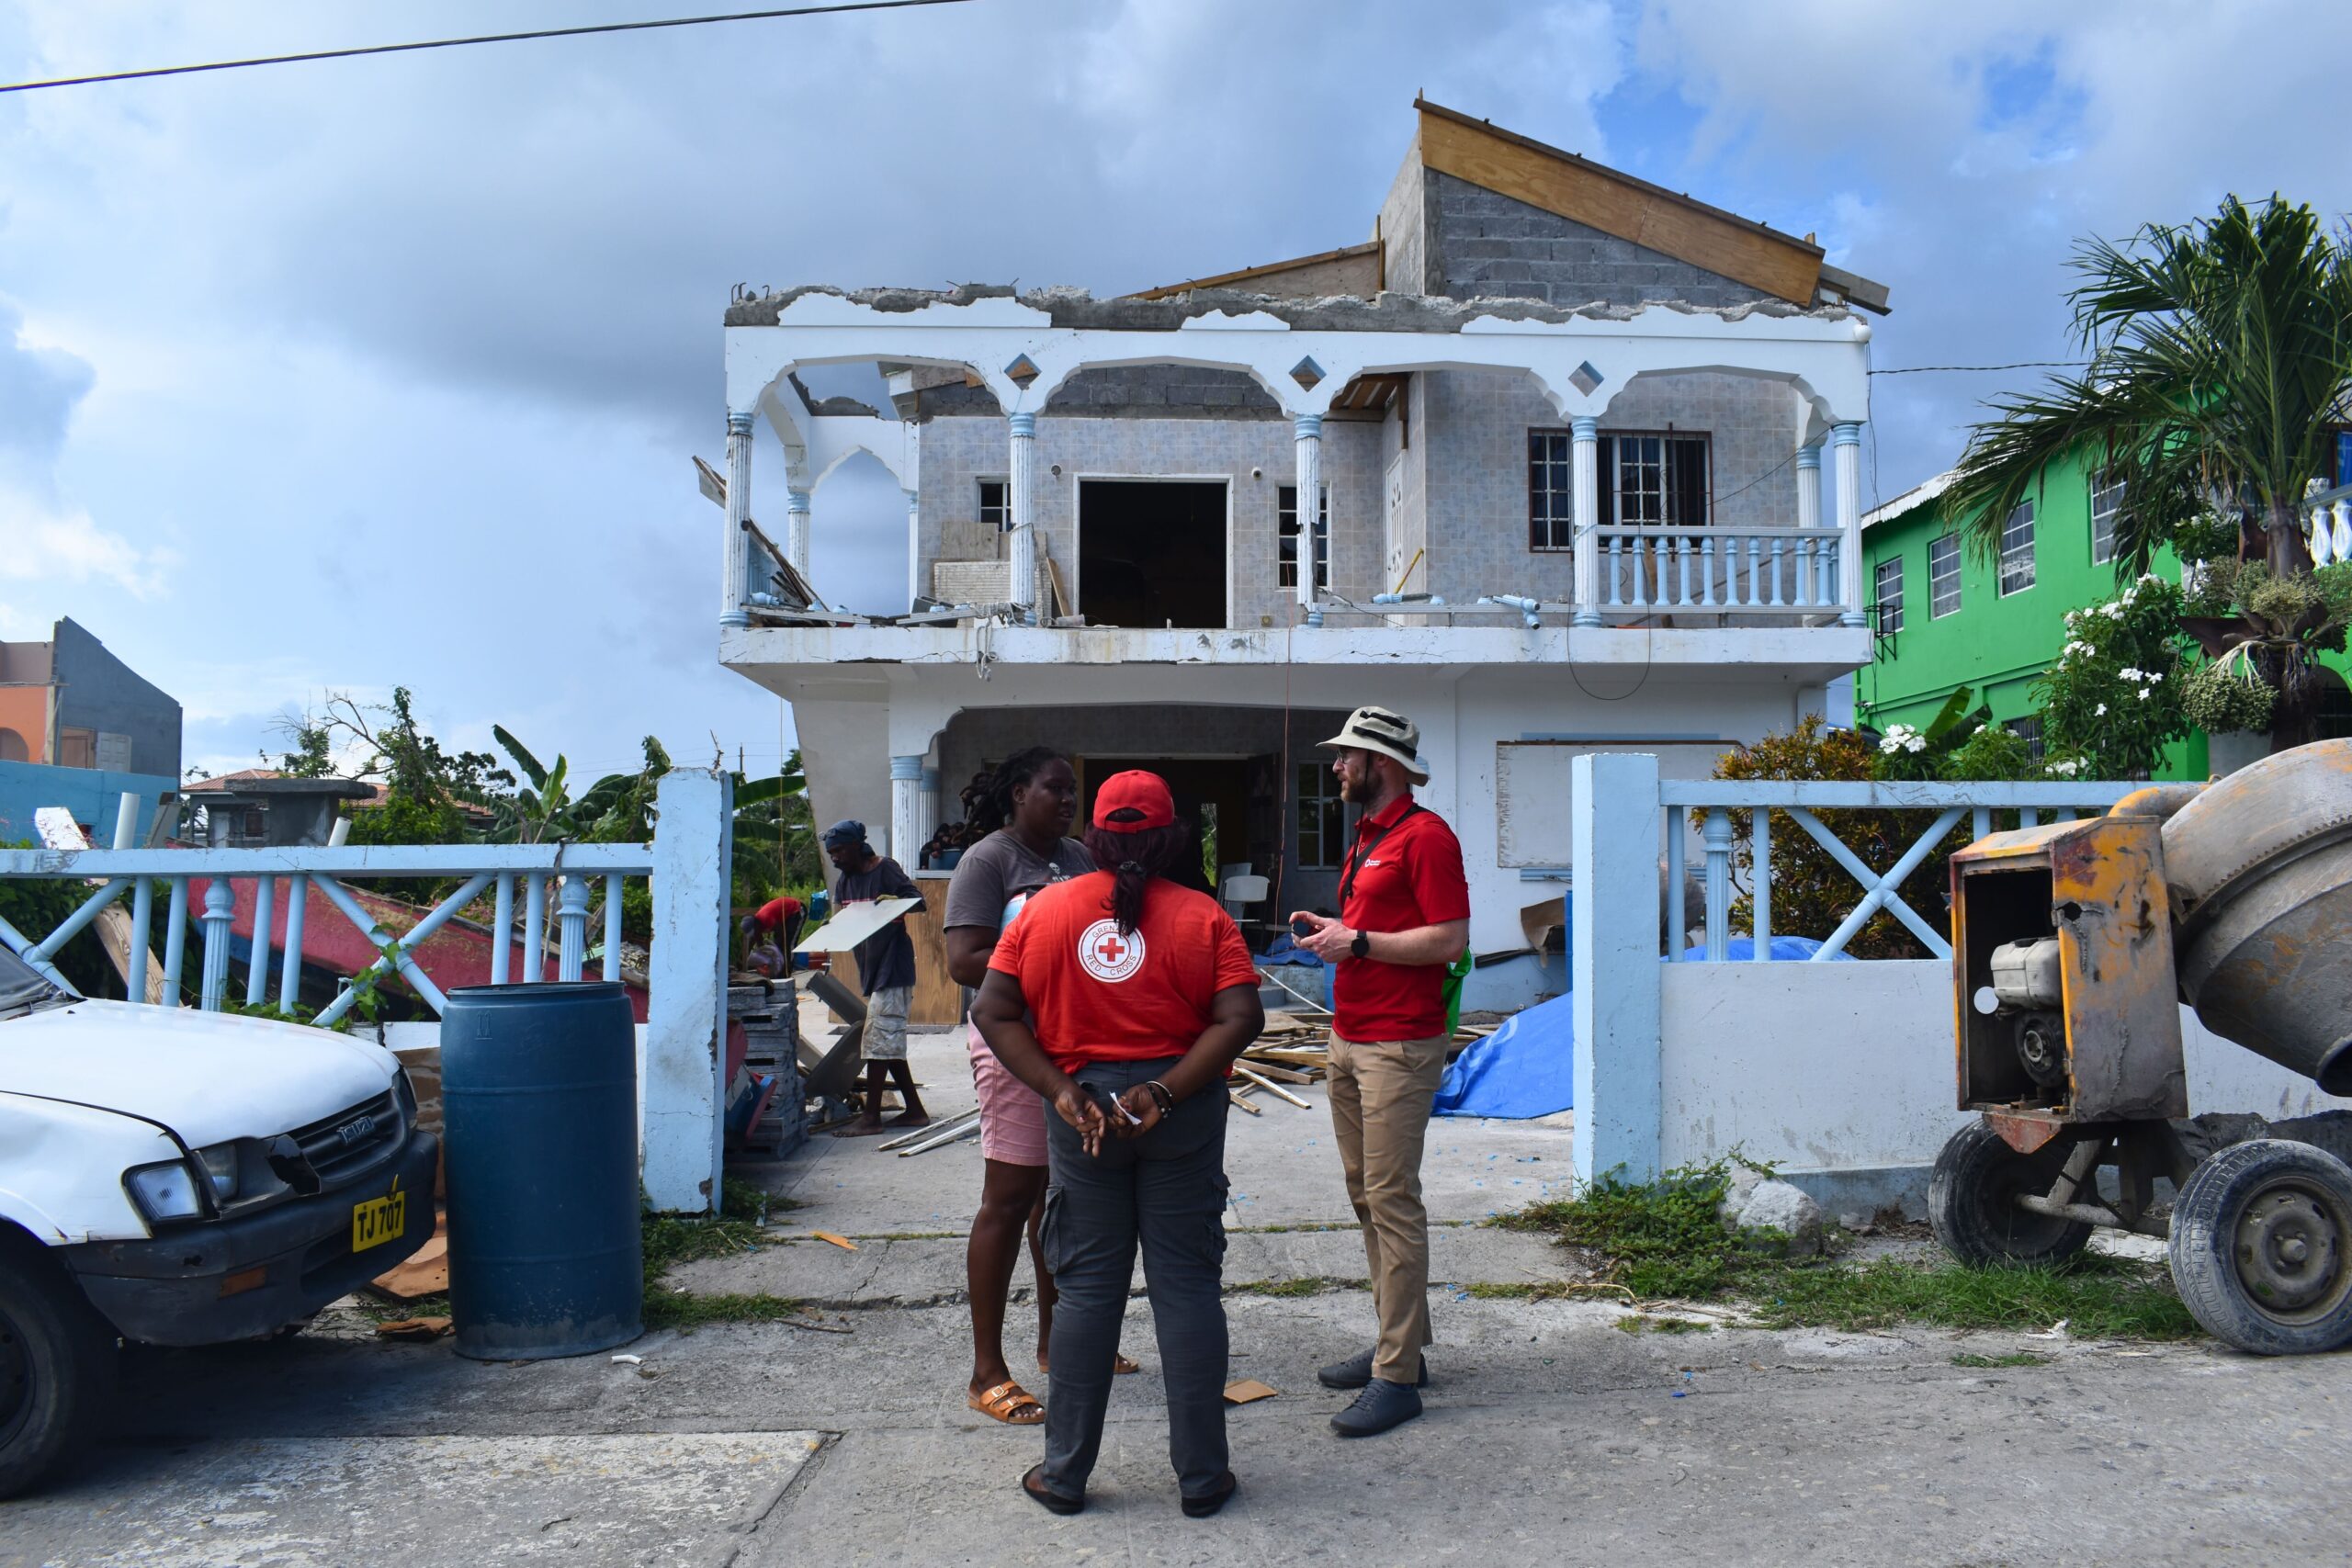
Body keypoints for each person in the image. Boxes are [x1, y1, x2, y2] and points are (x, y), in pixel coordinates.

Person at [974, 771, 1263, 1517]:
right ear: (1171, 839)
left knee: (1086, 1294)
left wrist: (1060, 1090)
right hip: (1182, 1113)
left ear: (1094, 839)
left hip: (1086, 1121)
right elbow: (1240, 1018)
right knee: (1189, 1288)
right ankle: (1202, 1479)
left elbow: (993, 1008)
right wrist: (1164, 1091)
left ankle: (1063, 1475)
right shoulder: (1204, 917)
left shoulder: (1044, 911)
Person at [1286, 705, 1470, 1438]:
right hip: (1351, 1037)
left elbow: (1450, 939)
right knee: (1367, 1195)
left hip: (1398, 1045)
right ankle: (1405, 1344)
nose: (1336, 766)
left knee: (1392, 1199)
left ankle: (1396, 1378)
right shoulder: (1368, 834)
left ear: (1382, 765)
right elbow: (1373, 933)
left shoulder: (1427, 839)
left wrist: (1356, 941)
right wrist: (1336, 936)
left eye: (1347, 756)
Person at [943, 747, 1132, 1427]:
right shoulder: (989, 861)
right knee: (1010, 1195)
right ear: (1018, 792)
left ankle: (1061, 1342)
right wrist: (1041, 955)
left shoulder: (1081, 859)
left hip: (1075, 1048)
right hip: (1013, 1045)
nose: (1067, 800)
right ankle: (986, 1372)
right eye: (1054, 788)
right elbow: (962, 958)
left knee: (1064, 1199)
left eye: (1072, 791)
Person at [821, 818, 930, 1137]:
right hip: (870, 967)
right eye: (831, 853)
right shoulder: (845, 882)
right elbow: (845, 922)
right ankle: (914, 1111)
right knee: (886, 1040)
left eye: (840, 850)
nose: (835, 858)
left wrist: (899, 902)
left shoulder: (886, 869)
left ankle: (871, 1118)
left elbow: (920, 902)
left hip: (893, 968)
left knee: (877, 1040)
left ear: (857, 845)